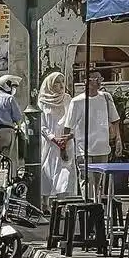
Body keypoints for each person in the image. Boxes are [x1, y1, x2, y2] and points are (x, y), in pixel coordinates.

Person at [62, 70, 123, 200]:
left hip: (102, 147)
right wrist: (64, 147)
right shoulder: (77, 102)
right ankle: (88, 209)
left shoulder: (106, 97)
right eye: (95, 78)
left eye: (99, 78)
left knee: (99, 183)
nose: (99, 81)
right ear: (86, 81)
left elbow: (115, 120)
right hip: (83, 148)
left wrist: (118, 139)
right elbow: (68, 127)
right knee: (86, 180)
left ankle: (98, 207)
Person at [38, 70, 73, 206]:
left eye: (62, 82)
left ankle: (61, 203)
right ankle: (45, 202)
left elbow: (73, 120)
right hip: (49, 143)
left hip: (66, 141)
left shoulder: (68, 99)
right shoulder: (43, 102)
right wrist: (53, 138)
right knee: (46, 171)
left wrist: (66, 138)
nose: (61, 85)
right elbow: (41, 125)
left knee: (64, 172)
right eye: (57, 82)